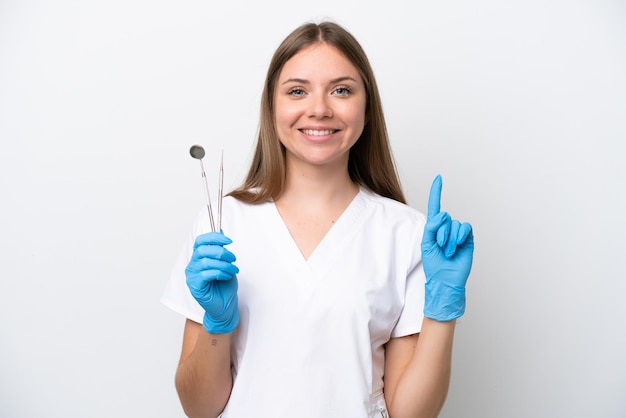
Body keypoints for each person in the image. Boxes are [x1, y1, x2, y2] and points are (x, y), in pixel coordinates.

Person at [161, 20, 474, 418]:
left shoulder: (406, 235)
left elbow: (411, 413)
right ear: (272, 107)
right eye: (297, 91)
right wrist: (216, 325)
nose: (320, 109)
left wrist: (442, 311)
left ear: (366, 107)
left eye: (341, 90)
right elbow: (198, 407)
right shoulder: (221, 225)